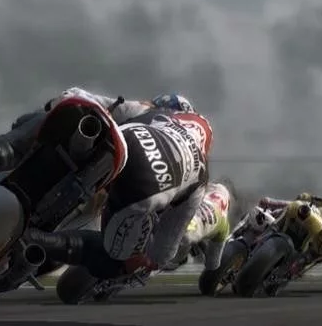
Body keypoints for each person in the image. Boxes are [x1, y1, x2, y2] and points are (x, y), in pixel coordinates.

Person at [25, 96, 213, 279]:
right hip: (145, 185)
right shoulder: (201, 175)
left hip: (122, 143)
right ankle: (36, 240)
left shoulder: (158, 114)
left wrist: (59, 101)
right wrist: (154, 262)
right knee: (120, 260)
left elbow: (89, 98)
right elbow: (167, 243)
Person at [0, 87, 194, 208]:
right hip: (76, 179)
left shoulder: (142, 112)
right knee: (31, 127)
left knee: (25, 130)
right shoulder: (169, 146)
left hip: (81, 181)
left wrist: (57, 103)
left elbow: (77, 95)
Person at [161, 180, 235, 272]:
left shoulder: (202, 194)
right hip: (189, 232)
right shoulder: (224, 224)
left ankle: (177, 257)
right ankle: (177, 258)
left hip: (180, 224)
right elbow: (213, 263)